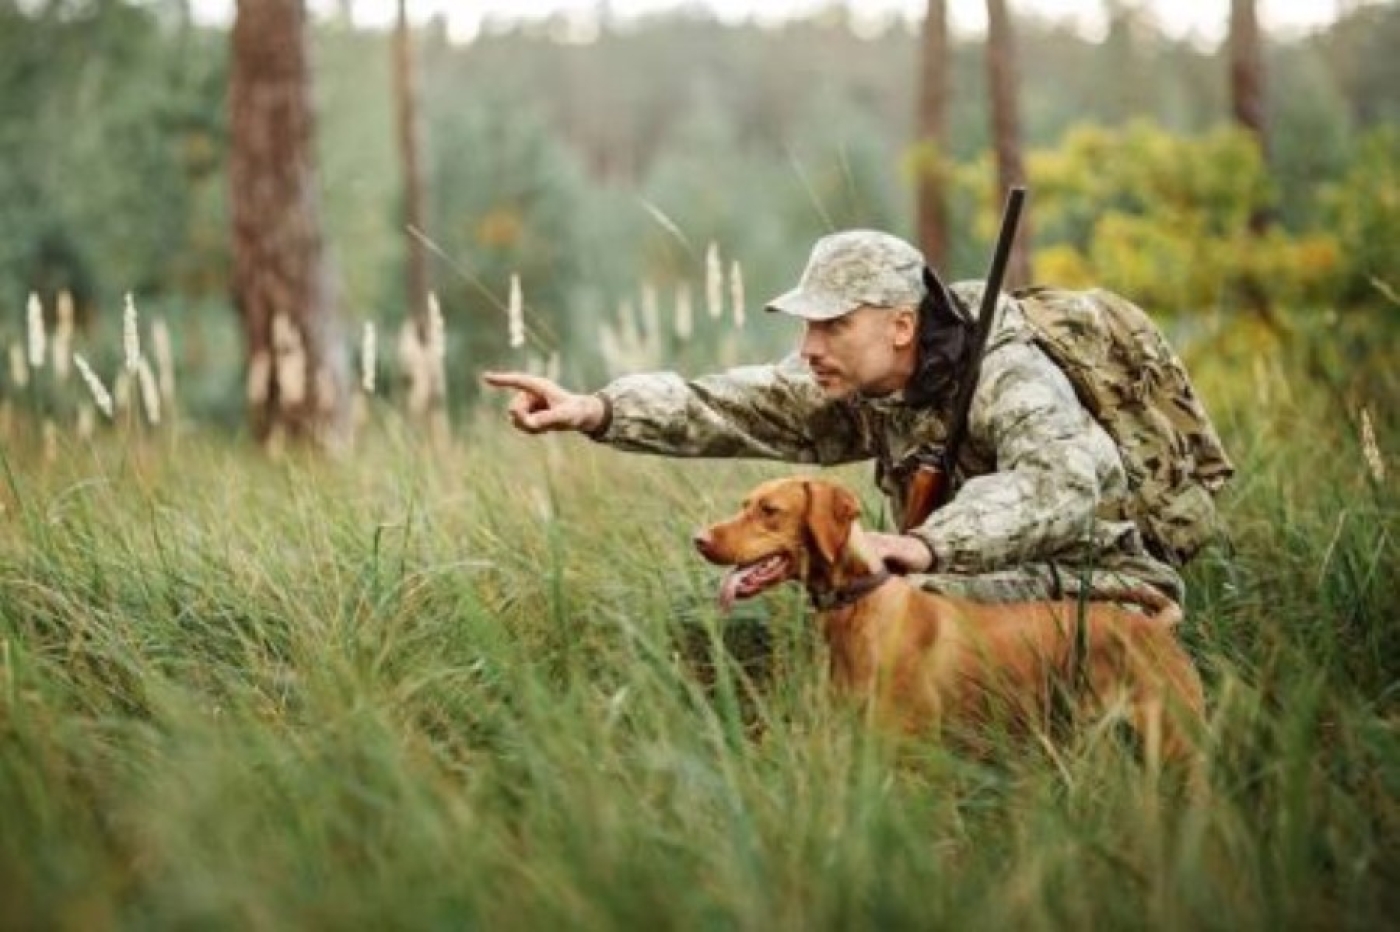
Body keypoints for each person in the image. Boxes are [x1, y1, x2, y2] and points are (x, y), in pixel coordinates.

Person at [482, 230, 1185, 605]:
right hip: (973, 582)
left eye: (833, 326)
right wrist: (596, 408)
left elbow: (1059, 484)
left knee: (905, 598)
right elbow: (728, 405)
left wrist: (922, 547)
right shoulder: (859, 381)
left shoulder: (1009, 374)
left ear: (902, 326)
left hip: (1101, 580)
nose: (808, 348)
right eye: (807, 326)